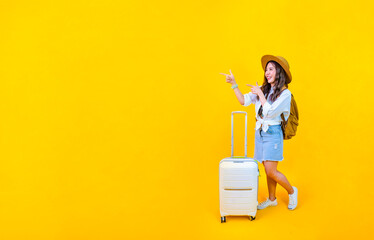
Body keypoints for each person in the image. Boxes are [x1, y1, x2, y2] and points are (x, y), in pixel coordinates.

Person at [220, 55, 298, 210]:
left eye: (271, 69)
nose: (267, 72)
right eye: (266, 70)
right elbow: (243, 101)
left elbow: (270, 112)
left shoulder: (285, 94)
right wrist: (234, 84)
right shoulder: (264, 90)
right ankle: (272, 198)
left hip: (273, 133)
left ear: (279, 72)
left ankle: (292, 191)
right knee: (267, 169)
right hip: (260, 132)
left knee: (271, 171)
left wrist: (260, 94)